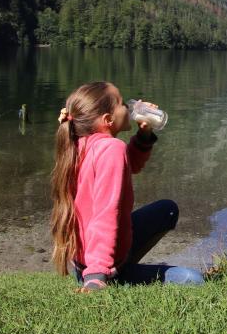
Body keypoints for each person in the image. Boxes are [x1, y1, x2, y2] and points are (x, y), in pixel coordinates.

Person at [50, 81, 203, 290]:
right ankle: (117, 274)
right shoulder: (112, 148)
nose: (129, 107)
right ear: (108, 119)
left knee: (168, 210)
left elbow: (129, 165)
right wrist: (97, 274)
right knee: (192, 280)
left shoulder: (78, 143)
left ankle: (119, 265)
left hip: (84, 260)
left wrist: (144, 134)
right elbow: (105, 212)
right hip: (99, 266)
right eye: (122, 103)